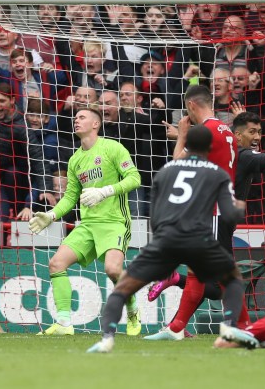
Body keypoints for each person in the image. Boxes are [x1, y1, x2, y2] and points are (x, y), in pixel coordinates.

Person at [86, 125, 255, 353]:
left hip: (166, 240)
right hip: (199, 239)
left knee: (123, 288)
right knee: (233, 280)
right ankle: (229, 329)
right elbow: (229, 212)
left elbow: (154, 214)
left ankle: (107, 339)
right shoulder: (217, 173)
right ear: (209, 147)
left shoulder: (166, 170)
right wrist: (240, 207)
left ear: (186, 144)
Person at [28, 106, 142, 336]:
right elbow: (70, 196)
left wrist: (105, 191)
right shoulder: (75, 160)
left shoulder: (112, 147)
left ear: (95, 124)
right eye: (75, 117)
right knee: (56, 264)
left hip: (114, 221)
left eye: (82, 117)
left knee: (112, 269)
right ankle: (64, 323)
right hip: (88, 224)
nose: (76, 120)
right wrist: (51, 215)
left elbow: (135, 178)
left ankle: (132, 309)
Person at [144, 84, 242, 340]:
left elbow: (178, 163)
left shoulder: (205, 130)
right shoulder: (225, 129)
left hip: (214, 210)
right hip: (218, 208)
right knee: (198, 271)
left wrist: (181, 136)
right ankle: (176, 328)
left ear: (190, 106)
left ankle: (244, 327)